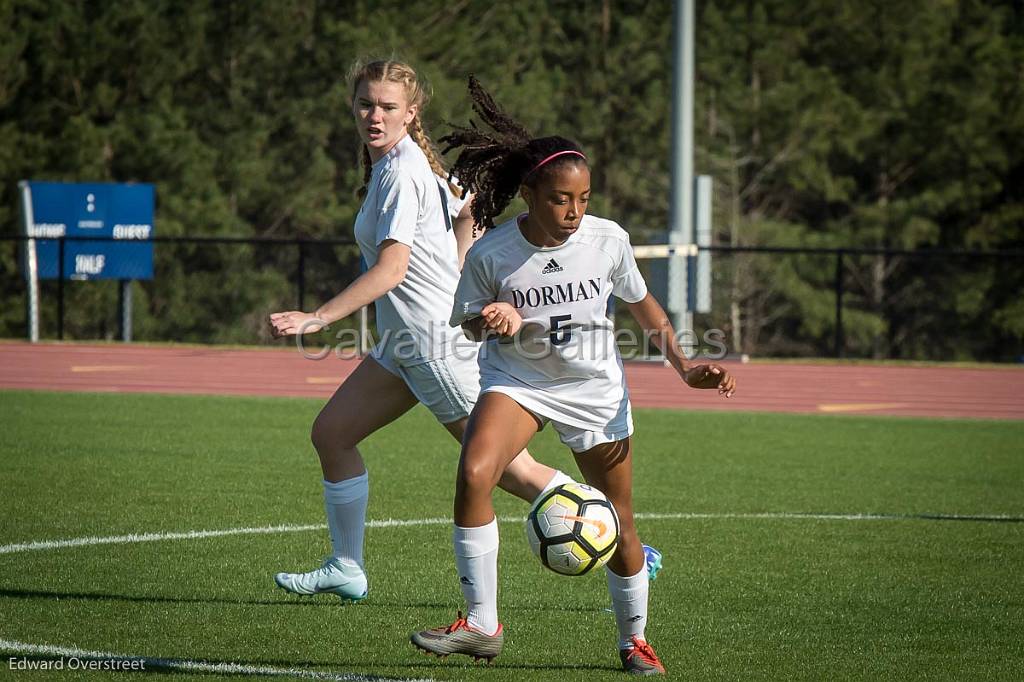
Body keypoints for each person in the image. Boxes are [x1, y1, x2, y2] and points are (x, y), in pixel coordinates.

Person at [410, 77, 735, 675]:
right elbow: (467, 327)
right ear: (531, 193)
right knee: (476, 470)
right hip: (520, 382)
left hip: (594, 392)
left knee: (622, 522)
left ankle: (633, 641)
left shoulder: (607, 239)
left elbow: (644, 308)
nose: (576, 211)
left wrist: (686, 365)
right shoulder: (494, 254)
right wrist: (493, 318)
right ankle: (482, 623)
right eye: (563, 199)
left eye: (584, 198)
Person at [268, 59, 583, 602]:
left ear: (410, 112)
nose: (375, 114)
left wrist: (318, 317)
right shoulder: (411, 165)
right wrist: (460, 267)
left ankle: (622, 543)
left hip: (433, 345)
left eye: (388, 106)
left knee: (509, 470)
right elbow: (470, 214)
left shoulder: (399, 171)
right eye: (366, 103)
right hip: (402, 345)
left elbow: (391, 268)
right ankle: (347, 566)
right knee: (332, 435)